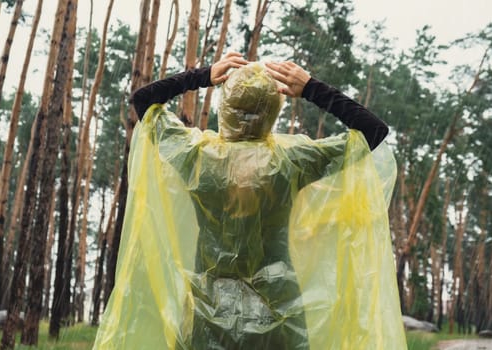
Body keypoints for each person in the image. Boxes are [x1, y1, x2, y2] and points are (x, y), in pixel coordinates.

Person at [93, 53, 406, 349]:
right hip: (278, 307)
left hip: (209, 303)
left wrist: (203, 76)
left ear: (224, 106)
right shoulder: (292, 160)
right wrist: (311, 88)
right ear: (274, 110)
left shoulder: (198, 156)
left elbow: (143, 100)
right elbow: (373, 131)